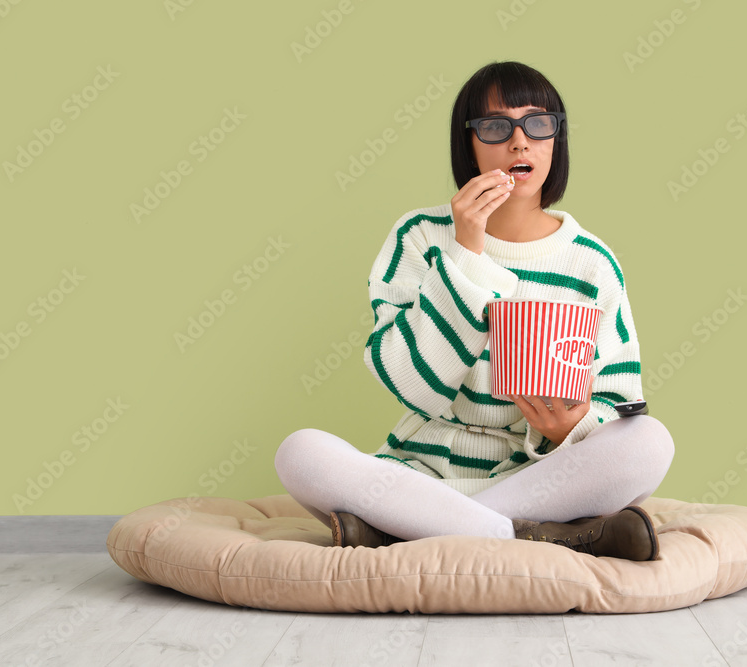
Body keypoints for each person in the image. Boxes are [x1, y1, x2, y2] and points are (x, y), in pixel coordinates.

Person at [275, 61, 675, 560]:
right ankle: (526, 538)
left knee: (650, 442)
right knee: (301, 452)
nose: (519, 141)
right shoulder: (420, 235)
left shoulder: (593, 262)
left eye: (538, 123)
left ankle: (409, 532)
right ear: (467, 144)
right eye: (494, 126)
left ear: (556, 140)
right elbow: (409, 382)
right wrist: (466, 252)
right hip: (420, 473)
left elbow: (619, 399)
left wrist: (568, 428)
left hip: (538, 480)